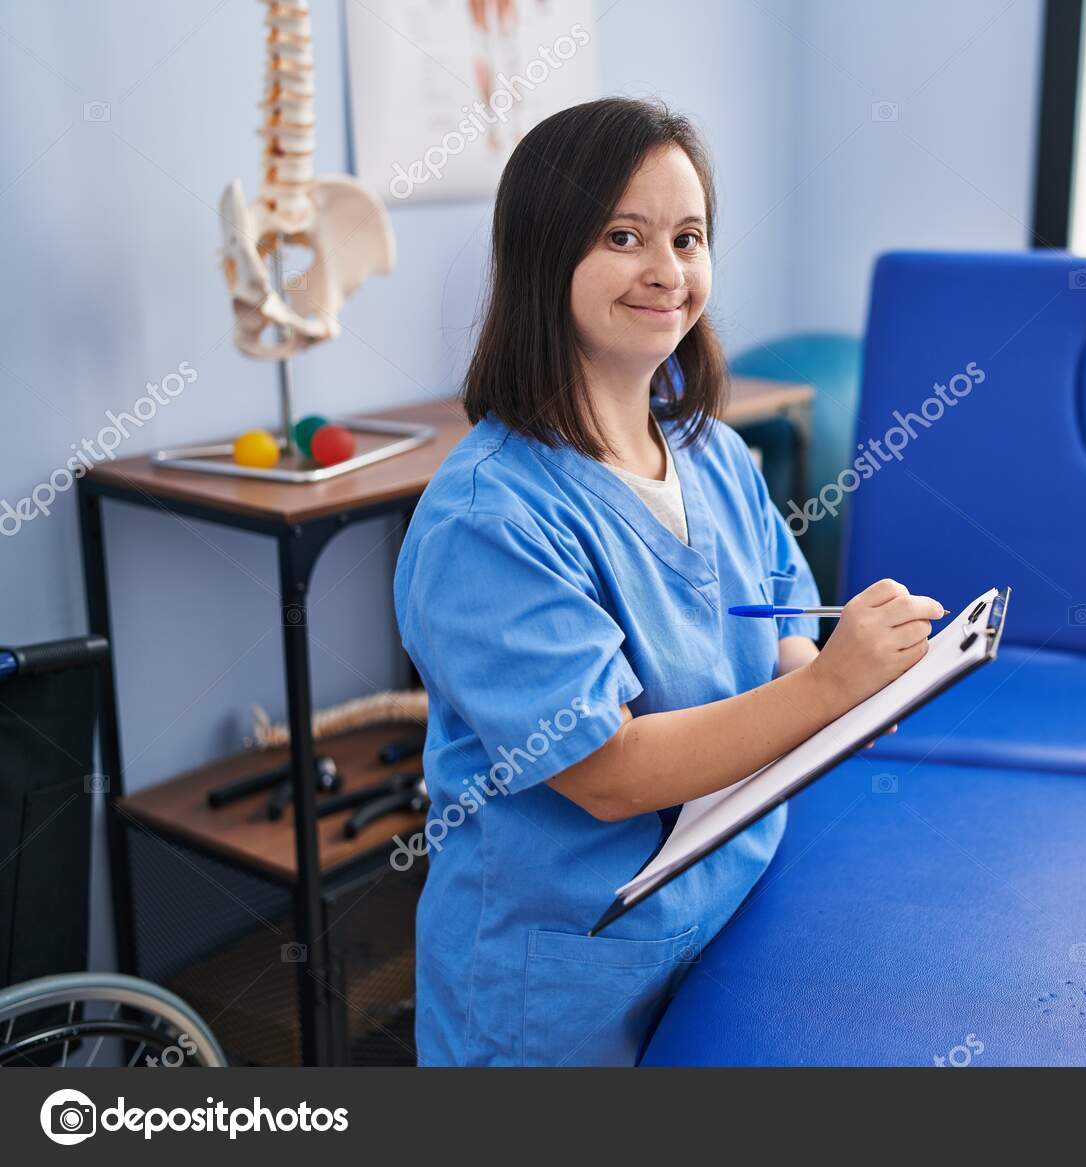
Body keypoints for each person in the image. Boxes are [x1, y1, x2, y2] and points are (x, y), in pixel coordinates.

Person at [393, 97, 942, 1065]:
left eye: (688, 237)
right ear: (541, 256)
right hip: (560, 989)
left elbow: (782, 624)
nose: (667, 271)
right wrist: (825, 692)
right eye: (622, 236)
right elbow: (606, 775)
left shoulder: (714, 454)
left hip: (729, 909)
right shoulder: (488, 518)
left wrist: (842, 686)